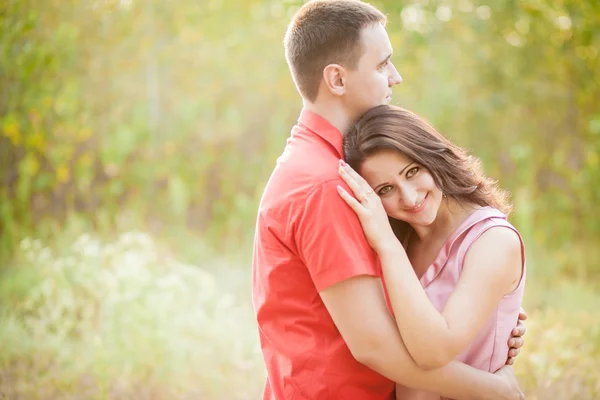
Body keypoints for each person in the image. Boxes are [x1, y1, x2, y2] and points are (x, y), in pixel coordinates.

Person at [251, 1, 527, 399]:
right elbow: (374, 346)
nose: (395, 77)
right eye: (382, 65)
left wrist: (492, 323)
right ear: (337, 80)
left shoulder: (333, 166)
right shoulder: (327, 183)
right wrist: (495, 389)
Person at [337, 105, 527, 399]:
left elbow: (434, 352)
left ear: (433, 157)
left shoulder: (493, 240)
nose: (410, 198)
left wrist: (387, 246)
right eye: (386, 189)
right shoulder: (400, 240)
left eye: (412, 172)